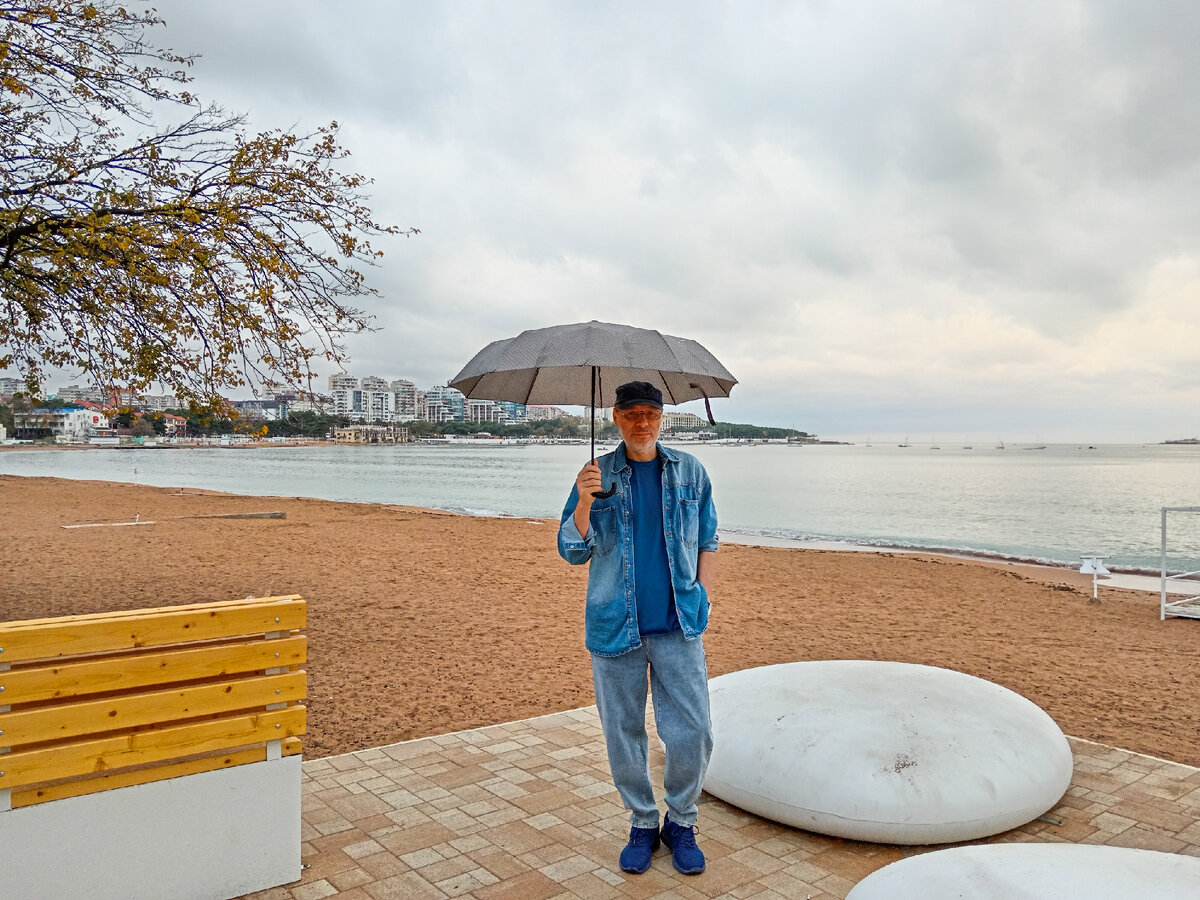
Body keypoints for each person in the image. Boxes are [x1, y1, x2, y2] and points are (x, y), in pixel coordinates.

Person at [557, 380, 718, 876]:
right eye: (632, 414)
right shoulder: (596, 473)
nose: (642, 422)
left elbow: (708, 538)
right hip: (614, 627)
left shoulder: (690, 471)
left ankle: (682, 821)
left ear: (662, 417)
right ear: (616, 417)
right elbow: (571, 549)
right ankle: (644, 822)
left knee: (693, 731)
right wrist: (585, 500)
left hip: (677, 626)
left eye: (650, 413)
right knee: (623, 733)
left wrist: (702, 595)